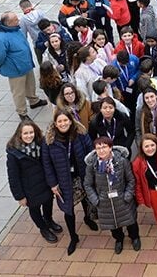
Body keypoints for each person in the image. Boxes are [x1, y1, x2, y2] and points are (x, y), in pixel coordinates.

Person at [42, 109, 96, 255]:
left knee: (86, 199)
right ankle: (73, 237)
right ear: (55, 123)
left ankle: (88, 218)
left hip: (81, 175)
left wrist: (92, 174)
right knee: (68, 209)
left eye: (65, 120)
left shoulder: (81, 134)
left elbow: (91, 153)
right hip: (64, 180)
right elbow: (46, 164)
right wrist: (53, 184)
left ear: (71, 121)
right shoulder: (49, 141)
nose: (63, 123)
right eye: (59, 121)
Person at [6, 120, 63, 243]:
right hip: (29, 189)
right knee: (35, 210)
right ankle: (43, 228)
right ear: (19, 134)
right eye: (25, 133)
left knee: (48, 204)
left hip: (44, 183)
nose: (29, 136)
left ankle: (49, 220)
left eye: (31, 132)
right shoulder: (14, 153)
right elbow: (13, 177)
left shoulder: (41, 144)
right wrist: (19, 196)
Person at [83, 137, 140, 254]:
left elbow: (131, 180)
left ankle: (134, 237)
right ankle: (119, 239)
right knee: (113, 225)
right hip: (104, 202)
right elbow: (88, 185)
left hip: (123, 200)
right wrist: (96, 200)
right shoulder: (92, 166)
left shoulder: (122, 162)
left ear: (110, 148)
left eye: (104, 147)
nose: (101, 150)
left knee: (131, 222)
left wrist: (127, 195)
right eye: (98, 148)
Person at [0, 11, 47, 120]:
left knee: (30, 84)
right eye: (16, 20)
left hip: (26, 64)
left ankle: (34, 101)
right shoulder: (0, 38)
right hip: (15, 69)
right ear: (8, 23)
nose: (18, 21)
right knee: (19, 92)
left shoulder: (16, 29)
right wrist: (11, 63)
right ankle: (22, 112)